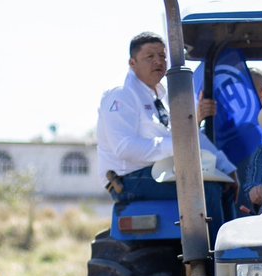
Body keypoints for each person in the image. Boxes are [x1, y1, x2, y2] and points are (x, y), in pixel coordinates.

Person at [97, 31, 238, 207]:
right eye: (150, 56)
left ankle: (224, 233)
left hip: (164, 171)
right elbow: (124, 148)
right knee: (206, 190)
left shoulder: (166, 95)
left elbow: (190, 135)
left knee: (226, 186)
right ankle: (211, 235)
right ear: (132, 63)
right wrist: (177, 146)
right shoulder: (121, 94)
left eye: (162, 56)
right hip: (129, 178)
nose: (158, 61)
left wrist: (226, 168)